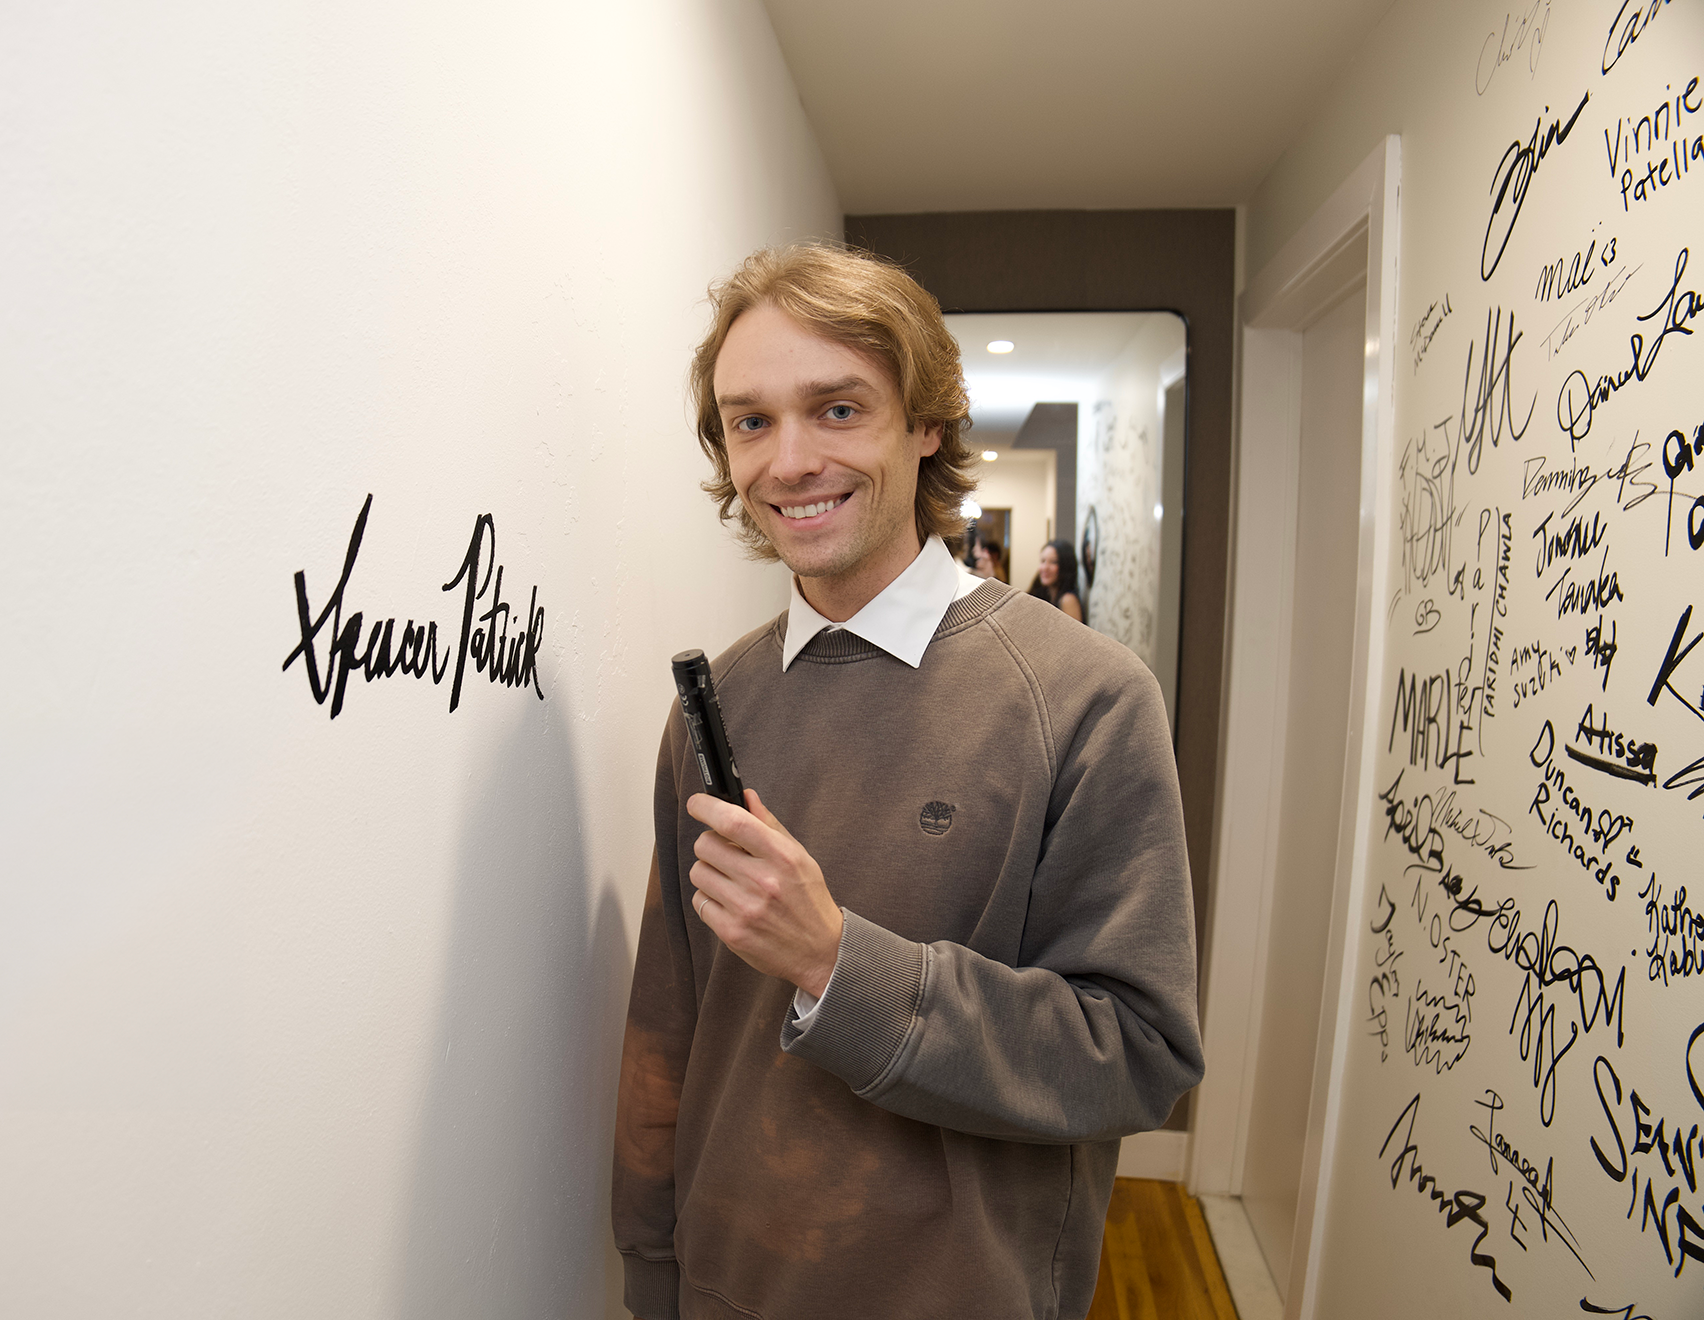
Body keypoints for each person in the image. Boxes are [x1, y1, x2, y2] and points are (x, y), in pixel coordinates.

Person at [611, 244, 1202, 1320]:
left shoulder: (1086, 696)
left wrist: (839, 963)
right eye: (751, 421)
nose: (789, 461)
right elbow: (669, 1029)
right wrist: (653, 1271)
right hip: (725, 1288)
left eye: (837, 410)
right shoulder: (714, 705)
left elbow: (1136, 1055)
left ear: (927, 423)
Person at [1029, 538, 1085, 622]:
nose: (1045, 567)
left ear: (1065, 566)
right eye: (1043, 561)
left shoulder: (1068, 600)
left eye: (1053, 562)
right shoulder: (1045, 594)